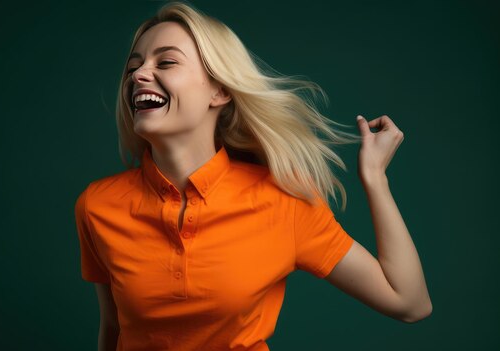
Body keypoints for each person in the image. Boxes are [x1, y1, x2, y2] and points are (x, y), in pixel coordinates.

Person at [74, 1, 432, 350]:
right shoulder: (98, 205)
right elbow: (114, 326)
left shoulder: (284, 201)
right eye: (133, 67)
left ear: (220, 91)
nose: (138, 74)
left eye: (165, 62)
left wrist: (374, 177)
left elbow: (409, 303)